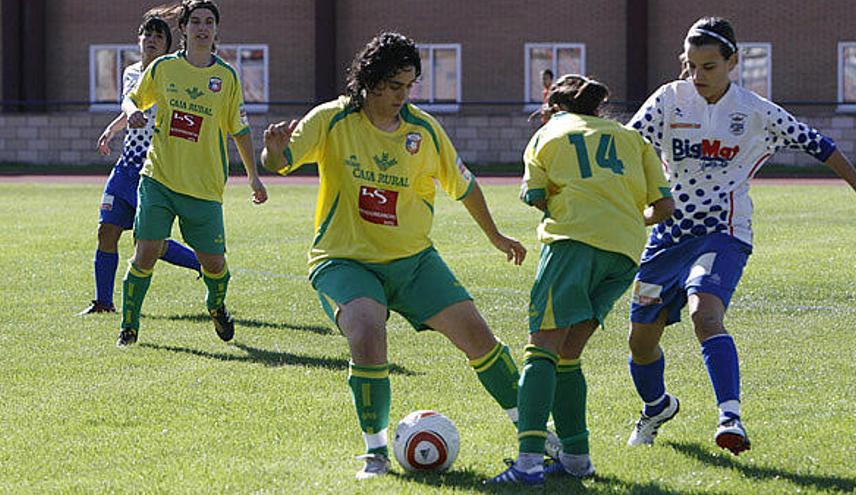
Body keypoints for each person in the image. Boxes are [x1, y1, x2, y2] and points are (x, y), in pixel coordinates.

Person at [261, 32, 527, 480]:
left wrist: (496, 236)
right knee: (366, 329)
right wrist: (272, 150)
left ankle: (535, 436)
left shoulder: (423, 131)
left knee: (479, 338)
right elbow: (281, 161)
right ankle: (376, 452)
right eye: (393, 86)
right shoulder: (332, 119)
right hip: (344, 260)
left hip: (414, 261)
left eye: (408, 86)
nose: (401, 97)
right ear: (368, 82)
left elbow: (464, 185)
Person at [625, 16, 856, 455]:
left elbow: (821, 145)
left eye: (709, 66)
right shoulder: (669, 98)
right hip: (667, 235)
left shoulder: (755, 111)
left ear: (733, 62)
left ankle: (731, 418)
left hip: (723, 232)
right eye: (691, 66)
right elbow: (628, 148)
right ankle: (656, 408)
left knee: (703, 313)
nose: (698, 76)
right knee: (640, 341)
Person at [487, 75, 674, 486]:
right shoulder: (631, 139)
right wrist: (623, 216)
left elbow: (534, 196)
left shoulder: (548, 133)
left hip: (572, 245)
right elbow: (663, 205)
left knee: (542, 352)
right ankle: (576, 459)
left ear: (554, 108)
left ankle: (528, 464)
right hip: (624, 254)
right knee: (569, 354)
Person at [118, 0, 267, 347]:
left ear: (216, 30)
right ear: (183, 29)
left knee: (214, 264)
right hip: (159, 178)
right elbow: (131, 99)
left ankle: (216, 306)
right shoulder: (164, 68)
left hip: (204, 187)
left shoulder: (226, 77)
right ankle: (129, 327)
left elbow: (240, 130)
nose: (202, 28)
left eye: (209, 22)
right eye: (196, 22)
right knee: (146, 251)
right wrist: (131, 113)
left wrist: (254, 177)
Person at [78, 14, 202, 316]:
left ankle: (203, 263)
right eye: (148, 34)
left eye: (159, 36)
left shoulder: (175, 74)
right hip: (126, 165)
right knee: (106, 230)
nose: (152, 39)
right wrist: (114, 128)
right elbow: (131, 103)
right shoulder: (131, 72)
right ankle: (104, 303)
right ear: (139, 38)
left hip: (155, 168)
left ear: (167, 46)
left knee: (150, 242)